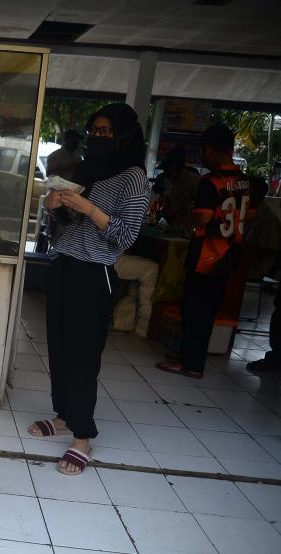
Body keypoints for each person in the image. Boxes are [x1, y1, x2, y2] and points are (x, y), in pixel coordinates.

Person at [28, 104, 150, 476]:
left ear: (125, 136)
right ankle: (65, 415)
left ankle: (83, 436)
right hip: (64, 263)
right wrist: (55, 206)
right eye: (94, 130)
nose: (98, 137)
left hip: (95, 271)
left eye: (106, 131)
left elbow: (125, 235)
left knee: (83, 355)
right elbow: (68, 223)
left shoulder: (134, 179)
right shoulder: (86, 169)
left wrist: (88, 206)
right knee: (60, 347)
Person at [157, 124, 263, 379]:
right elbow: (249, 216)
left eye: (203, 151)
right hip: (230, 256)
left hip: (206, 255)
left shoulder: (210, 183)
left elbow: (202, 220)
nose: (202, 157)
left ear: (212, 150)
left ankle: (191, 364)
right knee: (208, 310)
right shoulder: (247, 183)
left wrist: (189, 222)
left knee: (194, 310)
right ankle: (190, 356)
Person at [154, 146, 200, 230]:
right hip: (172, 227)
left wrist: (179, 213)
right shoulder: (168, 180)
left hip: (189, 230)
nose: (165, 173)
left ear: (177, 168)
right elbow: (167, 200)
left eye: (168, 170)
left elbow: (200, 210)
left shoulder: (194, 181)